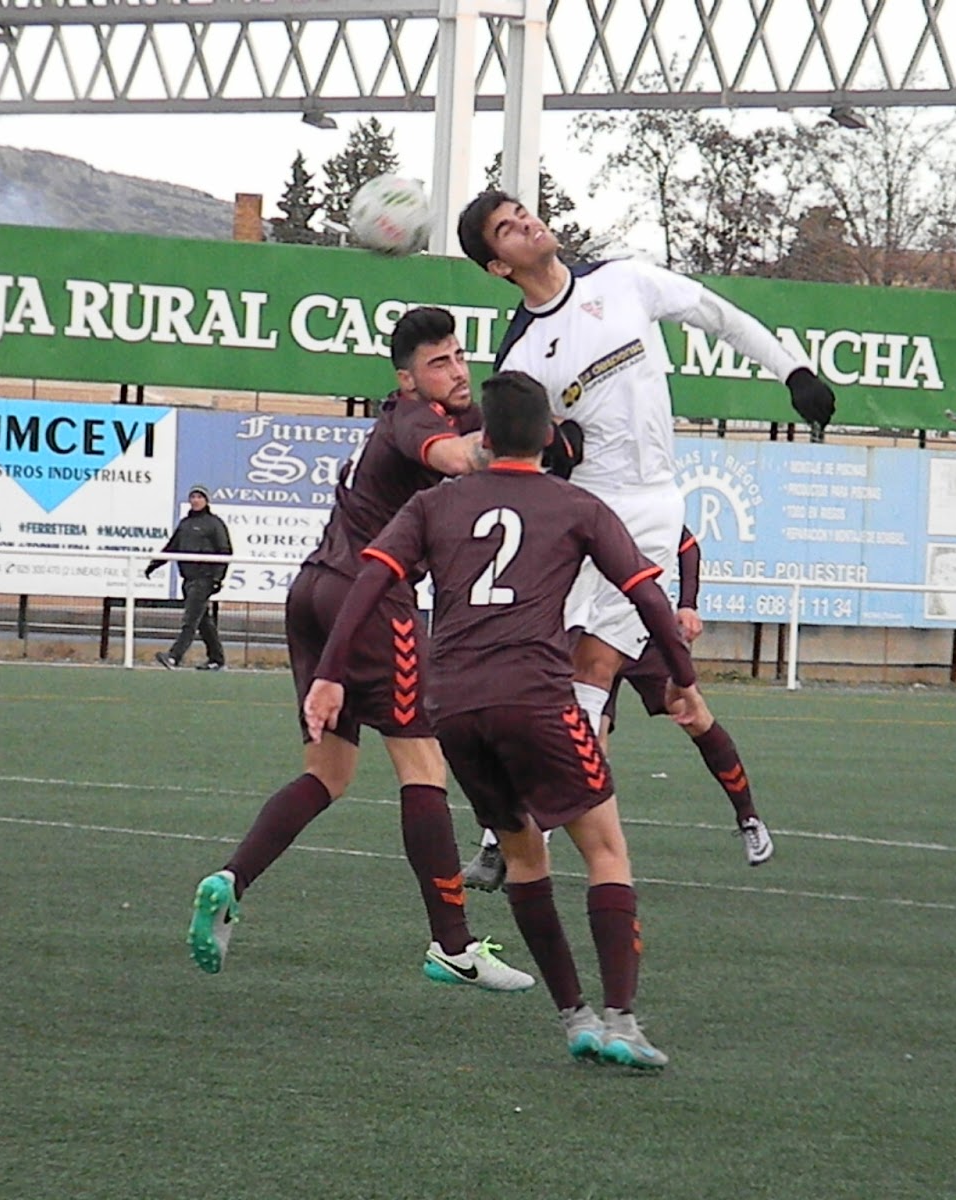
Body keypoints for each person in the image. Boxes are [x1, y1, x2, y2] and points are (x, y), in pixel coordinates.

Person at [305, 371, 712, 1068]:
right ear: (551, 438)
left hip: (456, 709)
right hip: (537, 699)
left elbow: (372, 578)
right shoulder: (577, 506)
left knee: (525, 856)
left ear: (485, 439)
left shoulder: (436, 505)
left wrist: (329, 672)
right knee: (606, 850)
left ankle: (574, 1017)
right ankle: (621, 1021)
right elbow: (646, 595)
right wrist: (684, 679)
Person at [453, 191, 824, 882]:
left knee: (593, 672)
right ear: (498, 266)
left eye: (522, 212)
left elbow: (717, 314)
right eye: (506, 228)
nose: (527, 222)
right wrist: (549, 446)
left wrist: (791, 371)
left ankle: (535, 833)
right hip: (579, 515)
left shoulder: (623, 279)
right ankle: (505, 827)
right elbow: (510, 450)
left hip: (654, 510)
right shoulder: (524, 352)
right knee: (536, 671)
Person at [186, 306, 534, 993]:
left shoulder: (417, 412)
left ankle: (231, 880)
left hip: (314, 591)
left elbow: (468, 429)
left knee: (330, 774)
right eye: (439, 363)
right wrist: (521, 446)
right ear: (407, 379)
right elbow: (457, 454)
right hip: (371, 600)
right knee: (423, 764)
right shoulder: (415, 420)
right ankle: (453, 945)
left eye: (460, 355)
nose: (458, 369)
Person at [463, 525, 773, 892]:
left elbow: (686, 543)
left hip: (640, 630)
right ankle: (513, 845)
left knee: (695, 716)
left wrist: (688, 603)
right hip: (591, 636)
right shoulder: (578, 503)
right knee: (581, 740)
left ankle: (748, 818)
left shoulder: (640, 503)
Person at [148, 485, 233, 670]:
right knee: (204, 622)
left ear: (206, 500)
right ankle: (216, 660)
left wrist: (218, 578)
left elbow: (225, 551)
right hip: (188, 579)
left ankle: (173, 656)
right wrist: (154, 565)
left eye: (199, 496)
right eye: (192, 496)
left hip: (205, 578)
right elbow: (172, 547)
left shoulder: (214, 523)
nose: (195, 500)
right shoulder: (185, 524)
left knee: (190, 619)